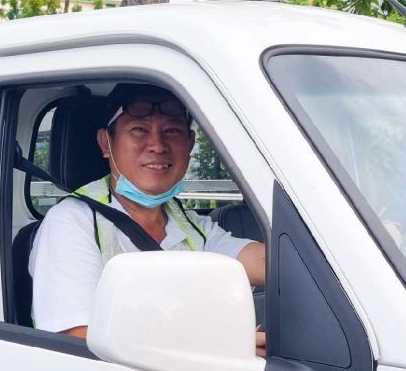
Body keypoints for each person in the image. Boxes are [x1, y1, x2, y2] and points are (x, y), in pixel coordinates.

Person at [29, 83, 266, 352]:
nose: (157, 145)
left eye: (172, 130)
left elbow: (265, 262)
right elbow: (78, 337)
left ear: (190, 143)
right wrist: (222, 345)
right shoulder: (71, 221)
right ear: (106, 143)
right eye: (139, 130)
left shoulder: (191, 226)